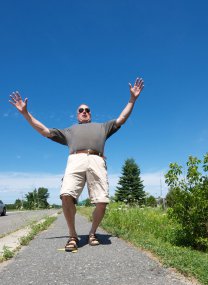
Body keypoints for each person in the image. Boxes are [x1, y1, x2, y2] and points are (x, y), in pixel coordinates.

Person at [9, 78, 144, 251]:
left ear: (91, 114)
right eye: (81, 110)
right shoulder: (69, 131)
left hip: (97, 160)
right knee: (66, 195)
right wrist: (25, 114)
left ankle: (92, 232)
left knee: (102, 201)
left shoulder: (102, 127)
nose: (85, 112)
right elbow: (44, 130)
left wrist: (132, 99)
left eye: (87, 110)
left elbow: (122, 118)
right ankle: (73, 236)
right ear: (77, 114)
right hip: (75, 160)